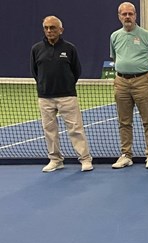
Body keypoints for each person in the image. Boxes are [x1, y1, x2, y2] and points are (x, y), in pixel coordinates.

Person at [30, 15, 93, 172]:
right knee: (49, 131)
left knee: (76, 129)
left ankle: (85, 159)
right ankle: (55, 160)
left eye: (53, 27)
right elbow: (35, 72)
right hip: (45, 97)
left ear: (61, 30)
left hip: (67, 96)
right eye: (46, 28)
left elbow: (76, 71)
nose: (49, 31)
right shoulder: (36, 49)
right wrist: (44, 87)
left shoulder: (70, 48)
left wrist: (67, 85)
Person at [110, 1, 148, 169]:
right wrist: (125, 72)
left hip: (142, 82)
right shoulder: (114, 36)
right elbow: (115, 58)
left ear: (136, 15)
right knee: (124, 121)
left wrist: (140, 74)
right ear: (119, 16)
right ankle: (126, 155)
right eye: (124, 14)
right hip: (121, 82)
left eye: (130, 14)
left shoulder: (147, 35)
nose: (127, 17)